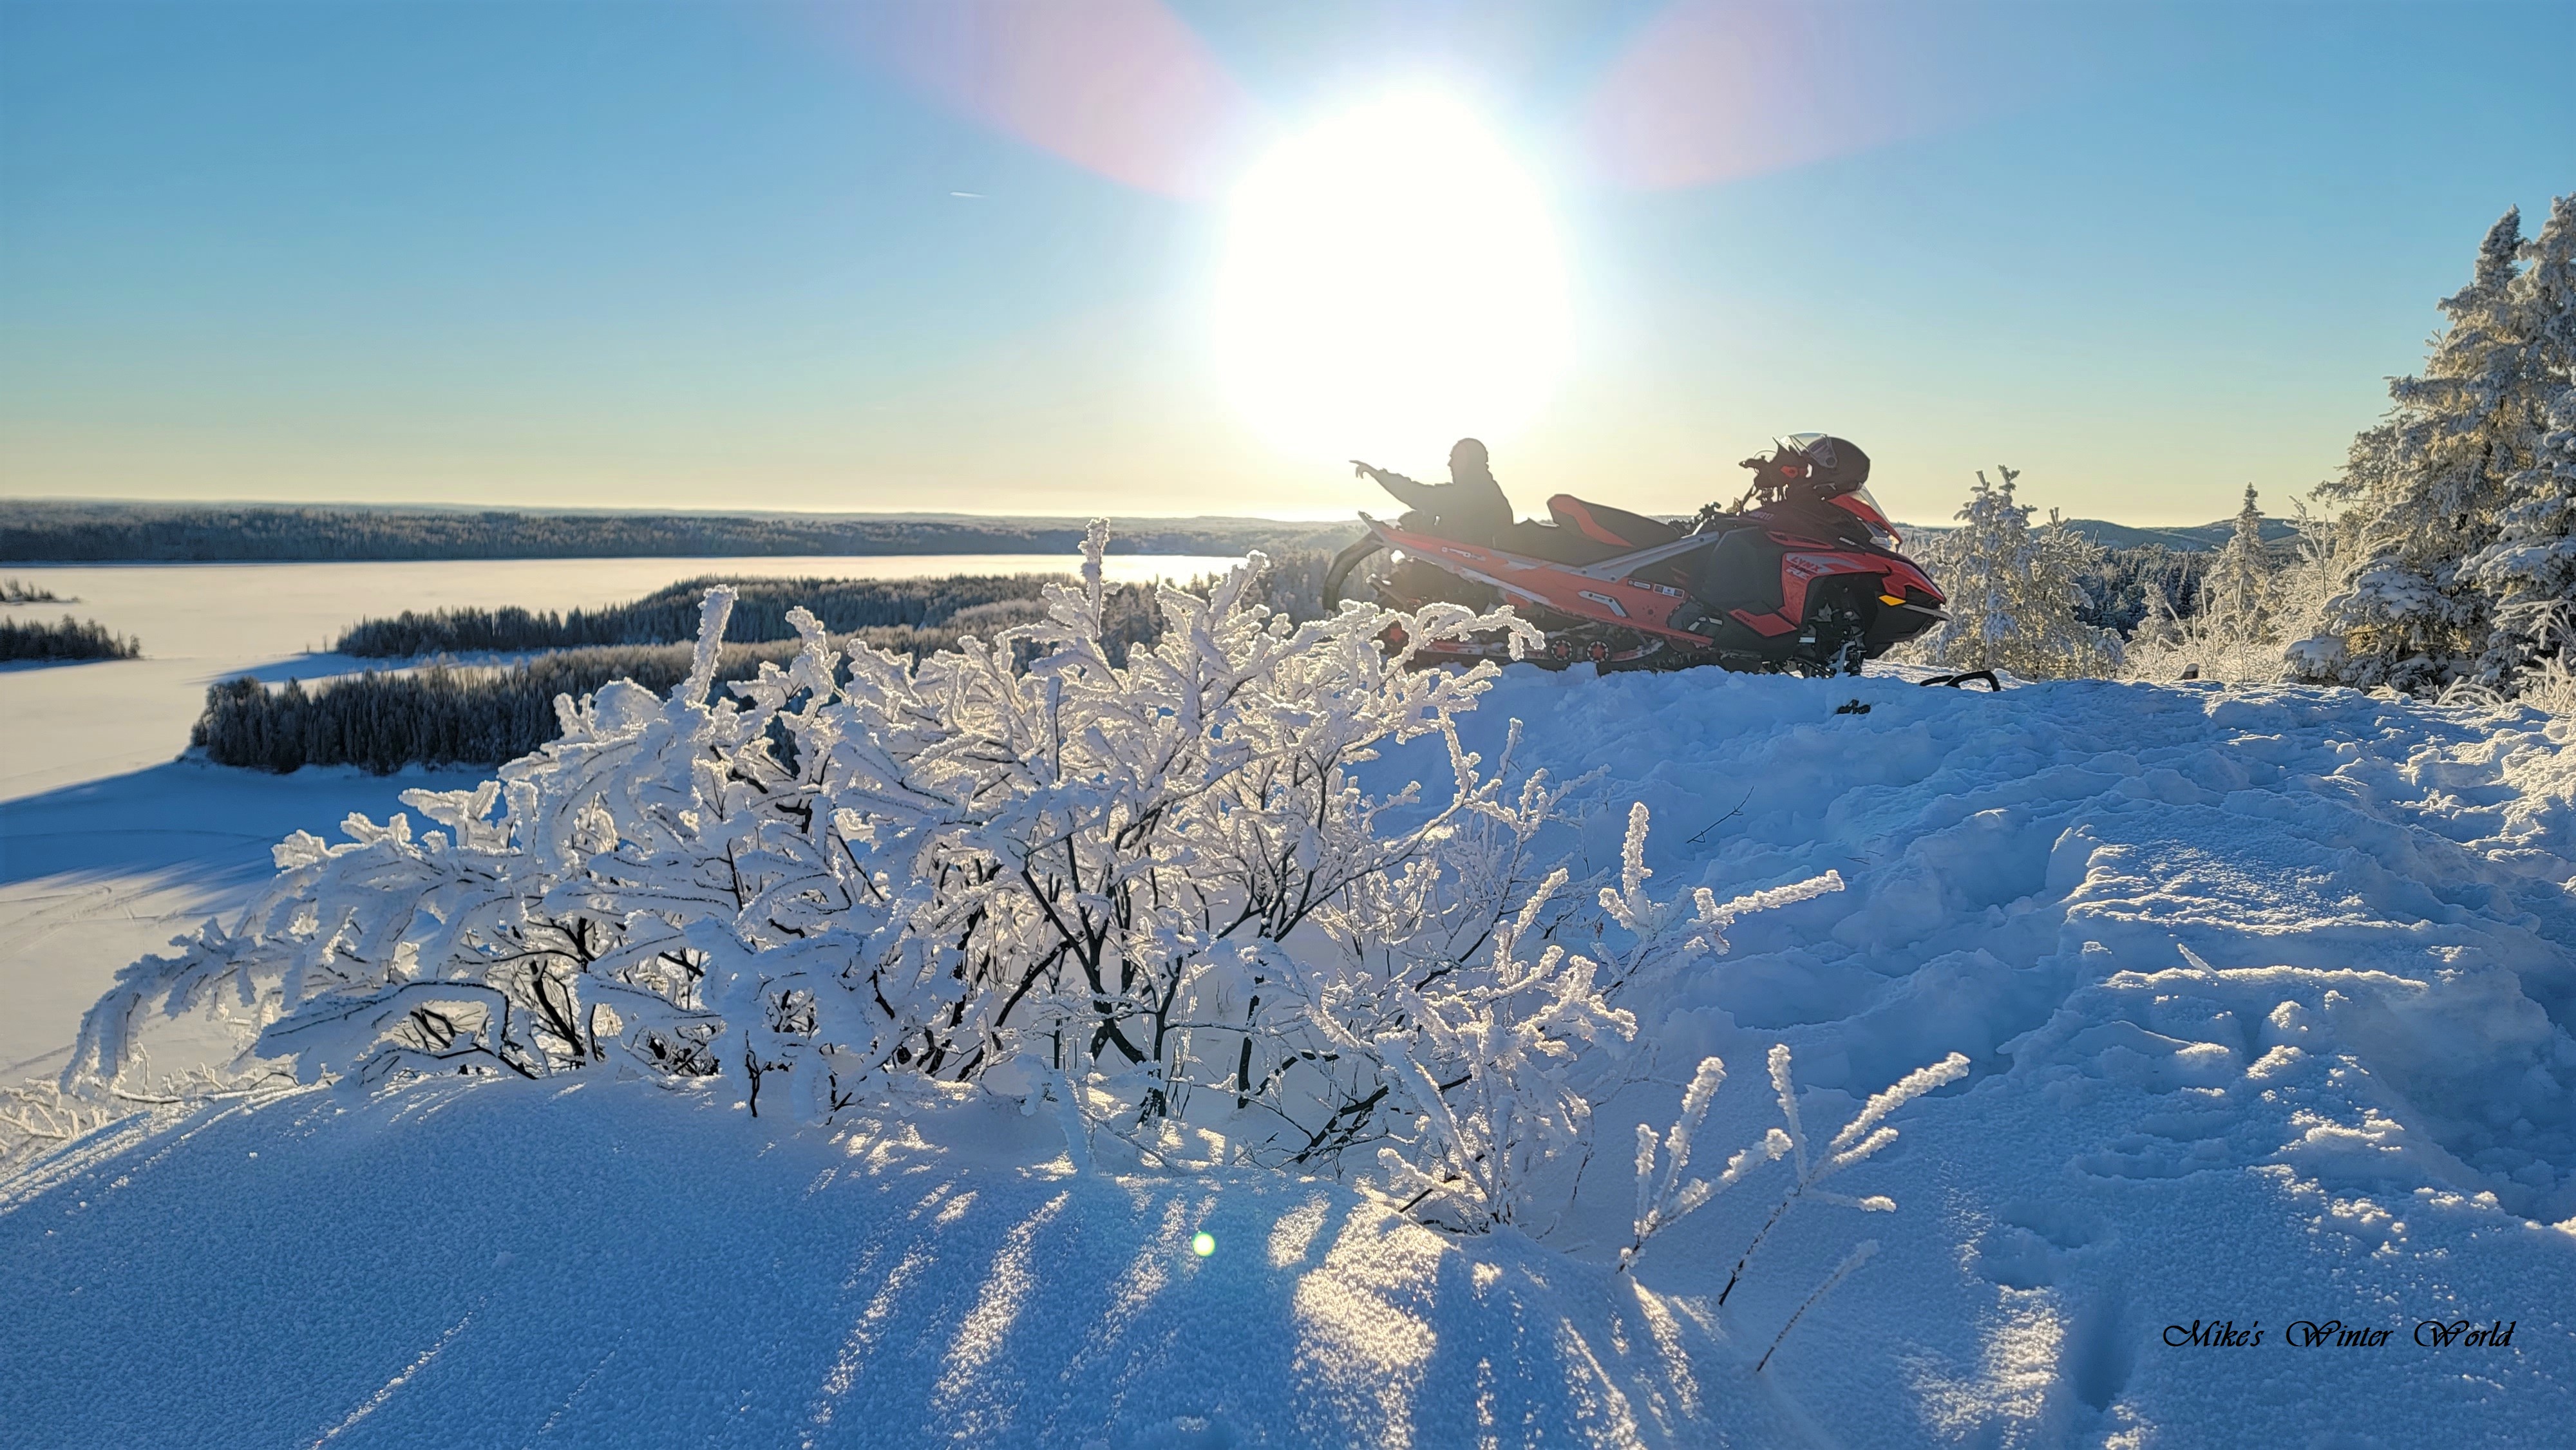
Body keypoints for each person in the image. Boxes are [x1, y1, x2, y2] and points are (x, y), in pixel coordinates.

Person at [1351, 438, 1515, 545]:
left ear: (1471, 462)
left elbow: (1421, 496)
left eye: (1456, 458)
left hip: (1471, 577)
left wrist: (1378, 475)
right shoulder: (1481, 490)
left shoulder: (1474, 494)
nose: (1450, 464)